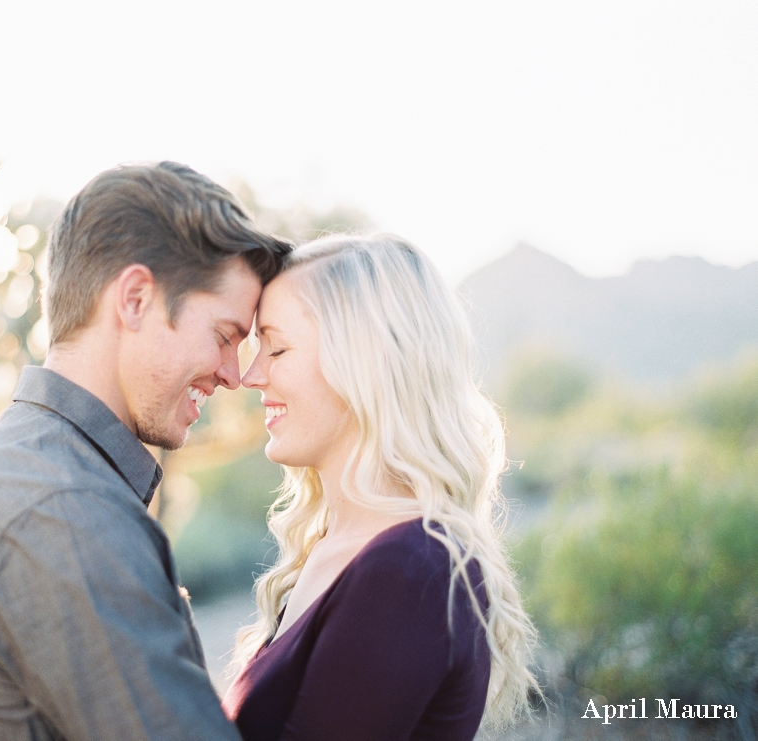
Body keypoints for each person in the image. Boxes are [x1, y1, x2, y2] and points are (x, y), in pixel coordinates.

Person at [0, 161, 291, 740]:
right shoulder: (64, 509)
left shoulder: (39, 465)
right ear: (136, 298)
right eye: (223, 337)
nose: (231, 374)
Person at [222, 234, 540, 740]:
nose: (250, 375)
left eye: (276, 347)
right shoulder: (340, 549)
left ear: (364, 364)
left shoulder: (411, 570)